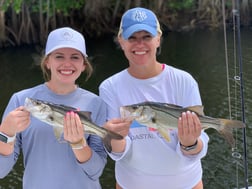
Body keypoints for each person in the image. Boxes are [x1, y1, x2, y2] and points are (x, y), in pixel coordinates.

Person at [99, 7, 209, 189]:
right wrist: (113, 138)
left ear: (158, 39)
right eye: (132, 38)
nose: (139, 44)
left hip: (187, 184)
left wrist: (189, 143)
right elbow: (118, 153)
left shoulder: (184, 81)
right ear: (121, 41)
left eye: (147, 37)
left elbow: (199, 147)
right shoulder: (109, 87)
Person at [0, 27, 107, 189]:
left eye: (75, 57)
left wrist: (79, 144)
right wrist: (5, 133)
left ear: (84, 65)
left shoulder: (96, 104)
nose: (67, 63)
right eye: (59, 56)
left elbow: (96, 172)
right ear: (47, 62)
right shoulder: (20, 100)